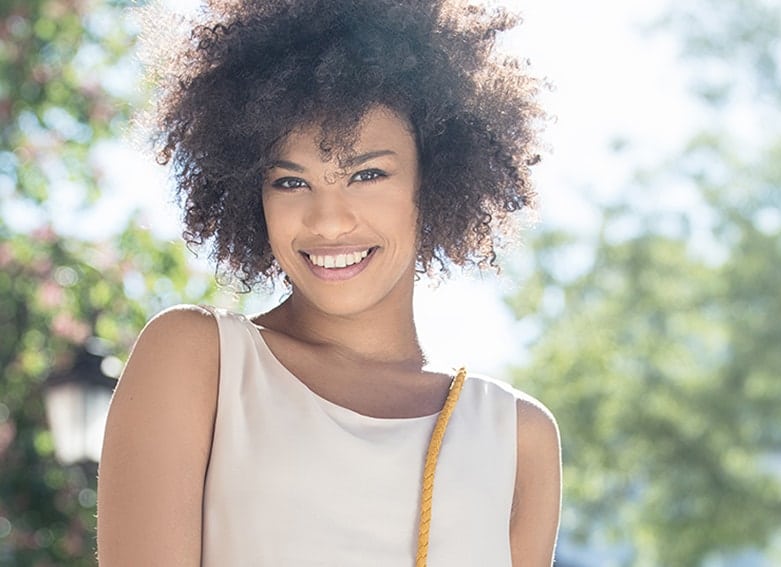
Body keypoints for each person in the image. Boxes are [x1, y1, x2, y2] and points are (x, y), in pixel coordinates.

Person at [96, 0, 561, 565]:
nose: (328, 220)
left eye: (367, 174)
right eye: (291, 182)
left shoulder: (518, 437)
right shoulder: (202, 361)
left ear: (435, 179)